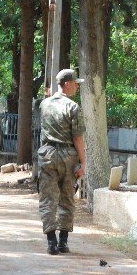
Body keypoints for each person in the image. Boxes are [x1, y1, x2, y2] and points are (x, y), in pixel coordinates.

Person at [38, 68, 86, 255]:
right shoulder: (73, 107)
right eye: (75, 83)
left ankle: (51, 241)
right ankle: (63, 242)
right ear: (66, 83)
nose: (76, 86)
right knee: (67, 198)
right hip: (67, 155)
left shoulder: (44, 104)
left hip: (47, 154)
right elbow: (77, 138)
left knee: (48, 198)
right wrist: (83, 162)